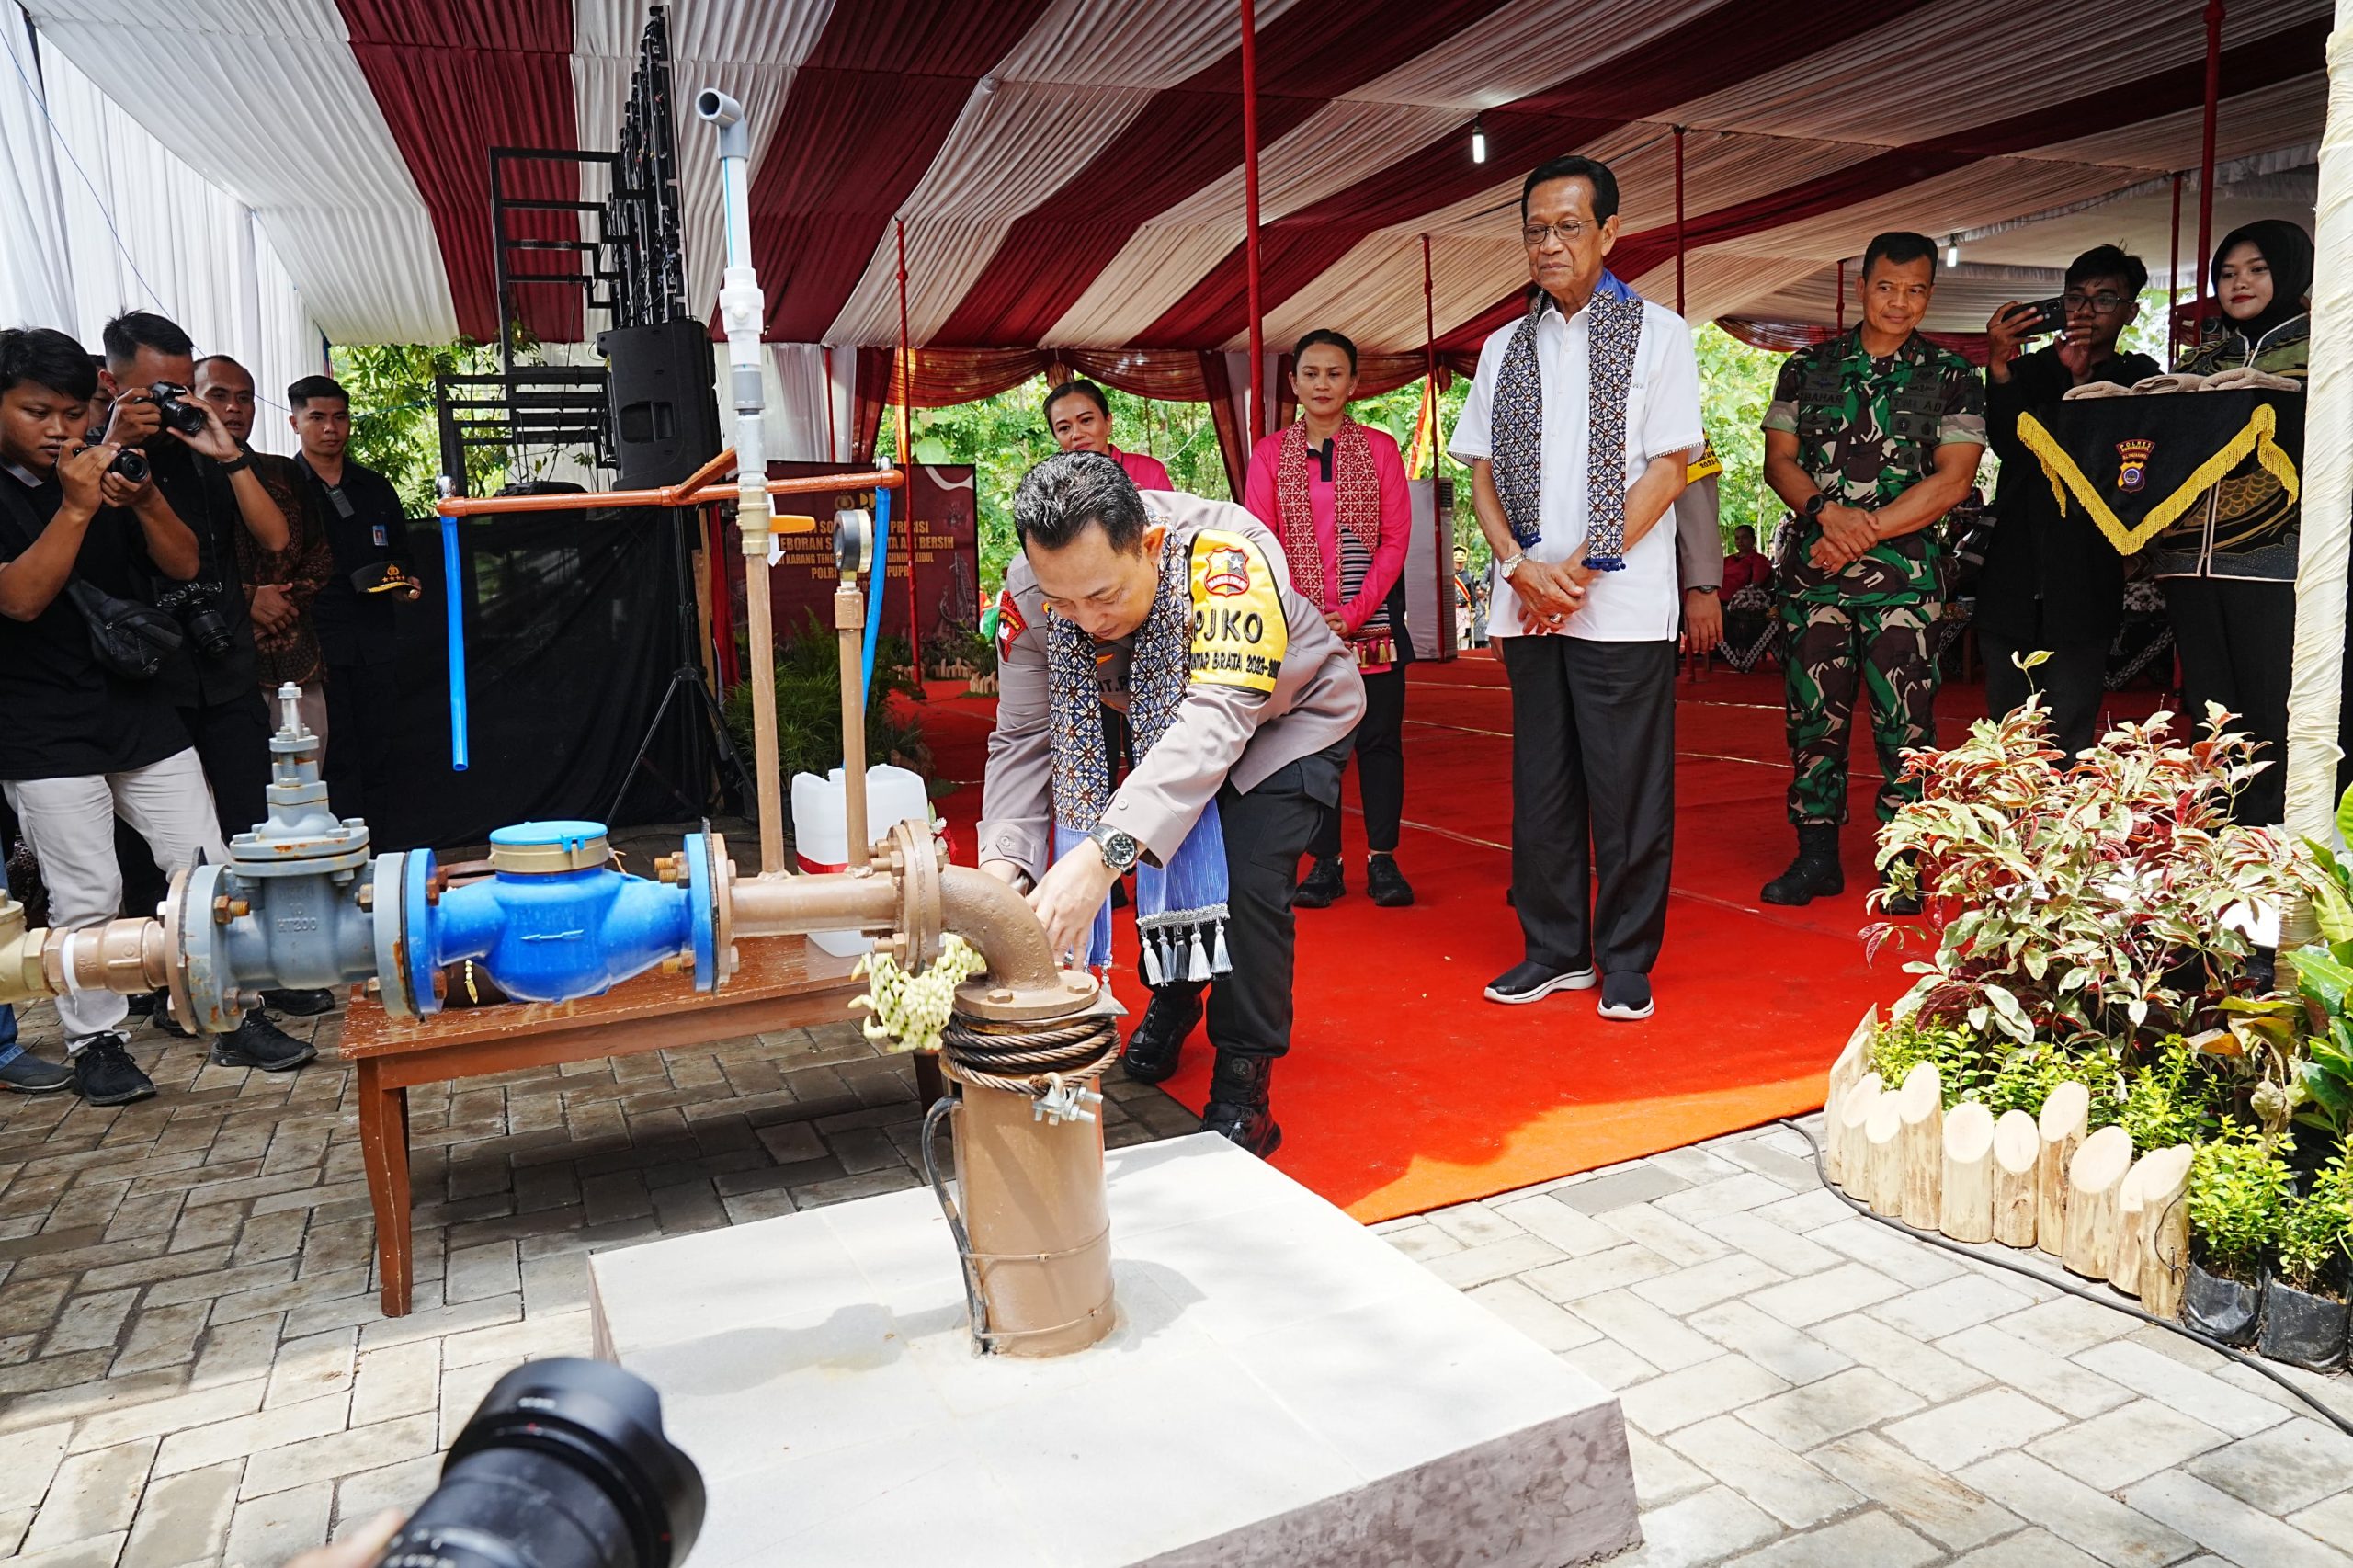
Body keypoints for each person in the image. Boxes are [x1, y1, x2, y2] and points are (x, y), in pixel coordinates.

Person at [978, 451, 1363, 1154]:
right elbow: (1024, 740)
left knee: (1243, 875)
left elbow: (1215, 722)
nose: (1082, 619)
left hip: (1285, 722)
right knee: (1154, 824)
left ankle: (1245, 1081)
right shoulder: (1032, 593)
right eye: (1061, 601)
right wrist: (1002, 874)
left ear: (1150, 546)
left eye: (1101, 597)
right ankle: (1180, 990)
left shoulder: (1228, 559)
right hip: (1169, 725)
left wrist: (1102, 857)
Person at [0, 328, 313, 1102]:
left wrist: (141, 499)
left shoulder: (100, 463)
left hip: (137, 702)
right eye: (37, 412)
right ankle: (97, 1042)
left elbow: (181, 564)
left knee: (201, 863)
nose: (60, 430)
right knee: (86, 893)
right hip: (40, 723)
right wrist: (75, 509)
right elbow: (21, 598)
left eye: (74, 413)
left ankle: (228, 1011)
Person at [1450, 154, 1700, 1023]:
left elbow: (1670, 468)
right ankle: (1554, 949)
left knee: (1628, 791)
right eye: (1534, 229)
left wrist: (1585, 569)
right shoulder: (1502, 346)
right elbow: (1477, 472)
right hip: (1526, 599)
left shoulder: (1661, 333)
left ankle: (1626, 958)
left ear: (1609, 233)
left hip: (1620, 604)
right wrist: (1521, 566)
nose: (1548, 243)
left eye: (1566, 226)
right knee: (1543, 785)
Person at [1758, 231, 1986, 913]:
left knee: (1906, 722)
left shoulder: (1952, 376)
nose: (1900, 302)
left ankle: (1904, 865)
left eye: (1916, 289)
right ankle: (1816, 857)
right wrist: (1830, 515)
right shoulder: (1808, 368)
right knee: (1812, 718)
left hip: (1903, 584)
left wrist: (1861, 533)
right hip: (1817, 578)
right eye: (1887, 286)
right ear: (1861, 287)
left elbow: (1953, 482)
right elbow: (1779, 462)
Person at [1243, 329, 1415, 910]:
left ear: (1354, 384)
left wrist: (1352, 612)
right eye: (1310, 373)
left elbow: (1394, 542)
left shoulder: (1382, 449)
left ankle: (1383, 860)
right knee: (1311, 744)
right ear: (1293, 383)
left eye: (1334, 373)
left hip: (1374, 626)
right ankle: (1325, 863)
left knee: (1380, 742)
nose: (1322, 384)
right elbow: (1258, 542)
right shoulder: (1268, 454)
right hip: (1295, 628)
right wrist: (1309, 618)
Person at [2150, 220, 2313, 824]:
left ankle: (2273, 837)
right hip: (2188, 559)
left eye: (2257, 269)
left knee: (2273, 702)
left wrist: (2276, 396)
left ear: (2289, 270)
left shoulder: (2327, 347)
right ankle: (2219, 827)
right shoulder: (2203, 356)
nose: (2239, 282)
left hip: (2277, 558)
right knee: (2211, 706)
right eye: (2227, 272)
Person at [99, 313, 288, 835]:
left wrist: (227, 454)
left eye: (178, 389)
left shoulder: (204, 444)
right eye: (152, 391)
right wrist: (114, 445)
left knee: (251, 823)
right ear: (110, 384)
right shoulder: (89, 455)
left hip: (225, 663)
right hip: (146, 678)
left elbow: (274, 538)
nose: (168, 403)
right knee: (165, 844)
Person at [1981, 245, 2160, 758]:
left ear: (2130, 310)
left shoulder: (2140, 377)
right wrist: (1998, 362)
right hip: (2014, 566)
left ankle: (2060, 834)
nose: (2087, 310)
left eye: (2105, 298)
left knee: (2068, 729)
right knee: (2006, 733)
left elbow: (2114, 467)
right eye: (2076, 298)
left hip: (2086, 570)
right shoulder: (2031, 370)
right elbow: (2008, 445)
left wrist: (2084, 383)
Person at [290, 374, 414, 820]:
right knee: (329, 755)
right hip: (314, 645)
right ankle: (338, 852)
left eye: (339, 417)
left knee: (379, 750)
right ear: (294, 422)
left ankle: (381, 853)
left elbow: (402, 557)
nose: (330, 428)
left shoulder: (375, 487)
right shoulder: (283, 486)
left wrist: (406, 584)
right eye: (317, 417)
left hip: (375, 639)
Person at [1044, 380, 1173, 492]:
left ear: (1108, 422)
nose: (1077, 434)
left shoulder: (1150, 471)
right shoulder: (1054, 488)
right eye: (1064, 428)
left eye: (1086, 420)